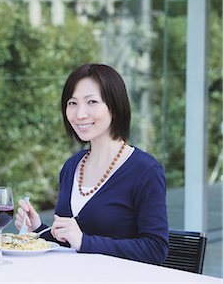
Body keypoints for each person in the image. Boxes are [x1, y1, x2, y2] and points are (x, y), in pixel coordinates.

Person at [15, 63, 169, 264]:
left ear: (114, 107)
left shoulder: (145, 170)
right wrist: (39, 229)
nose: (80, 114)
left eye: (92, 102)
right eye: (72, 103)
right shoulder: (72, 166)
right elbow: (69, 243)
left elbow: (156, 249)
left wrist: (85, 242)